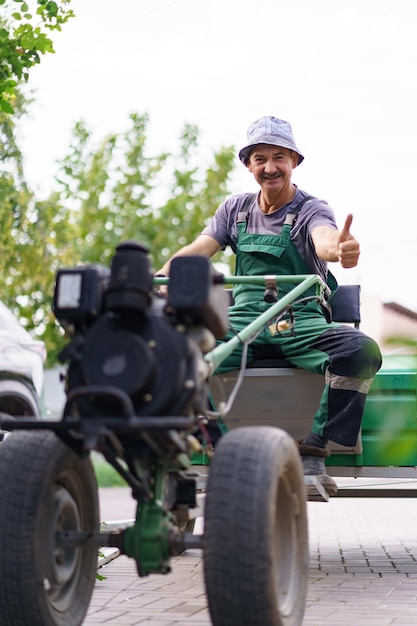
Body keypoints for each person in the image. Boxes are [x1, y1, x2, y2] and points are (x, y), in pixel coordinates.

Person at [157, 115, 382, 496]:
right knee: (172, 350)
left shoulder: (312, 208)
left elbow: (324, 239)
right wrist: (160, 277)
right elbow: (198, 252)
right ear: (248, 165)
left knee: (360, 350)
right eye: (260, 158)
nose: (270, 166)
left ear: (294, 160)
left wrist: (340, 250)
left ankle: (314, 449)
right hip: (243, 321)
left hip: (300, 320)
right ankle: (218, 444)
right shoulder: (235, 210)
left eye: (279, 156)